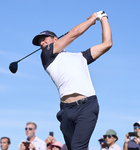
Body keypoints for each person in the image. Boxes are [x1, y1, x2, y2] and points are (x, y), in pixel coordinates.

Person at [32, 10, 112, 150]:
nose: (42, 43)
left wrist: (103, 17)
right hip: (66, 111)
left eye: (45, 39)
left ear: (56, 39)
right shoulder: (46, 55)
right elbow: (74, 33)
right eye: (40, 42)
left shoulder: (81, 57)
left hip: (87, 106)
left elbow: (107, 44)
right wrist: (92, 20)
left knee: (77, 147)